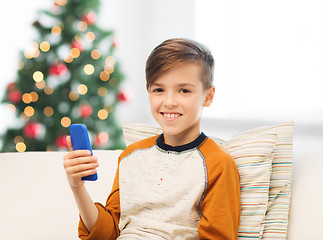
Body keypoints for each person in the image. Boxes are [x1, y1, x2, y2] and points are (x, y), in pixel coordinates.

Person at [63, 38, 241, 240]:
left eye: (184, 90)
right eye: (159, 90)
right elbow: (108, 233)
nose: (170, 102)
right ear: (149, 93)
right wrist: (77, 187)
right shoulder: (131, 156)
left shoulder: (217, 164)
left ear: (208, 96)